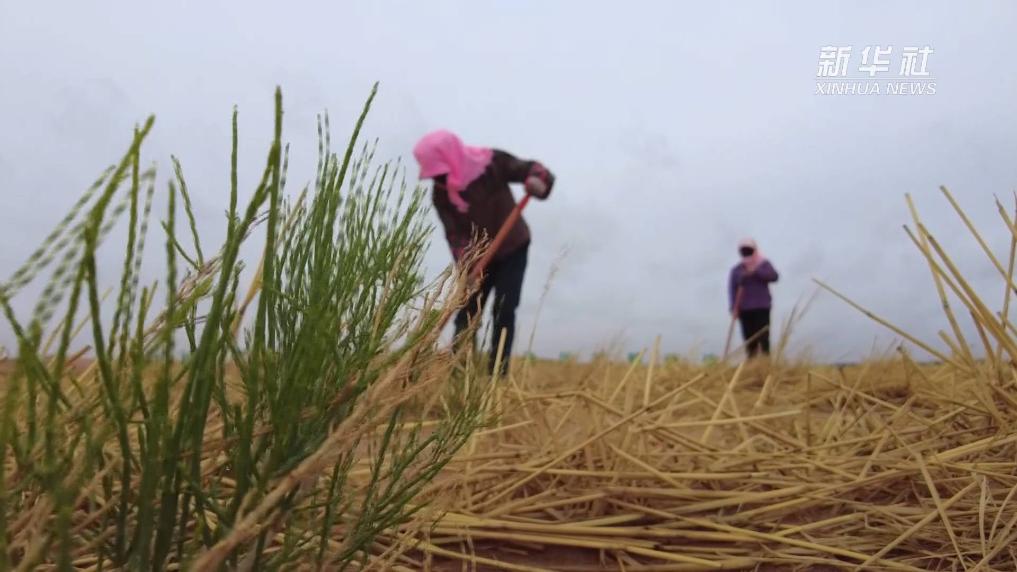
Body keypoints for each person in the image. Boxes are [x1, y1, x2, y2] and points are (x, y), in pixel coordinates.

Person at [413, 130, 554, 375]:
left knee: (504, 308)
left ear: (452, 158)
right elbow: (454, 234)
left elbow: (535, 169)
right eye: (434, 175)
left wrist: (537, 180)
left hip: (512, 246)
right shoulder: (441, 194)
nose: (439, 179)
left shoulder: (491, 164)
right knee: (467, 311)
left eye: (441, 173)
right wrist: (466, 265)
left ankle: (496, 373)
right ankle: (459, 372)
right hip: (478, 259)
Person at [729, 238, 779, 357]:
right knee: (749, 340)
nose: (746, 253)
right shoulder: (736, 270)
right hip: (744, 309)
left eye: (748, 250)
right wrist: (733, 308)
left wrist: (756, 272)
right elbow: (732, 289)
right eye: (743, 251)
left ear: (754, 250)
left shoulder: (764, 264)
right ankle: (752, 365)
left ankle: (766, 365)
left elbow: (774, 277)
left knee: (763, 337)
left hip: (762, 307)